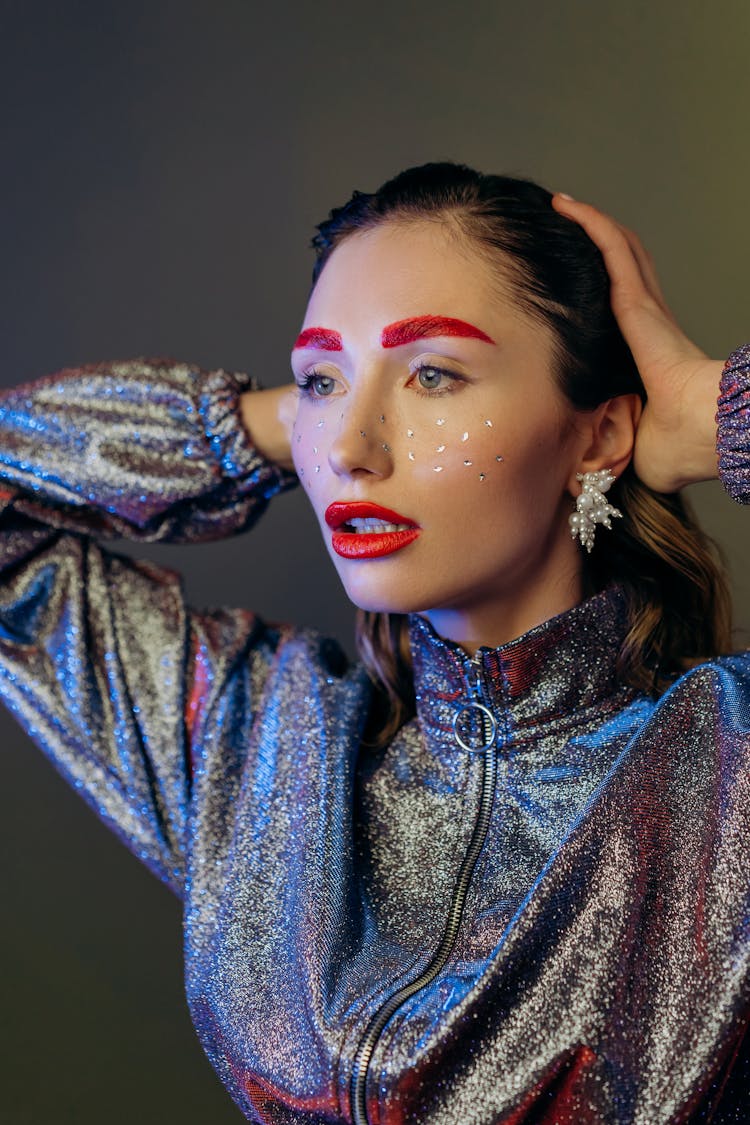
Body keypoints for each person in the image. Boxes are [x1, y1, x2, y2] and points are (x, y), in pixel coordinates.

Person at [0, 162, 748, 1124]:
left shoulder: (723, 762)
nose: (352, 444)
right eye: (320, 377)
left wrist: (714, 412)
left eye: (433, 373)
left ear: (597, 434)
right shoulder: (264, 744)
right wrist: (265, 429)